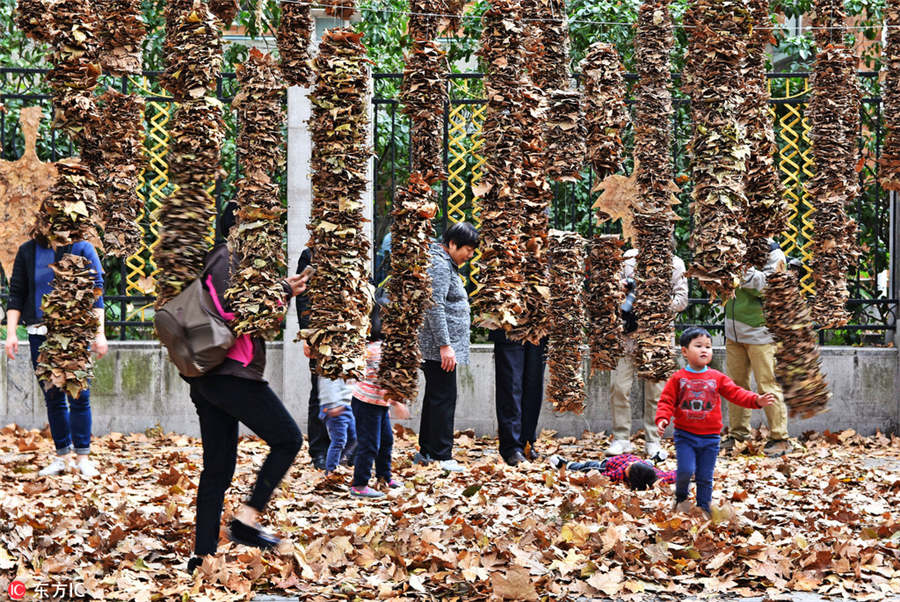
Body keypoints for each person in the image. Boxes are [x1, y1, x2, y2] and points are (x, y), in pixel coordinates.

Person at [184, 202, 307, 574]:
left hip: (214, 377)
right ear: (240, 227)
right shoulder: (226, 259)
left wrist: (283, 291)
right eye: (262, 223)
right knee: (288, 439)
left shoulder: (231, 261)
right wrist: (281, 290)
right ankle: (246, 521)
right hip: (230, 374)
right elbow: (232, 312)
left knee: (218, 468)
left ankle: (202, 556)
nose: (269, 232)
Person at [5, 232, 107, 477]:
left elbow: (96, 292)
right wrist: (11, 334)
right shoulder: (28, 250)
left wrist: (100, 334)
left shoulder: (82, 248)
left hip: (75, 333)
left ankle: (82, 458)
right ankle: (62, 457)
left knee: (79, 395)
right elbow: (17, 294)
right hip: (39, 334)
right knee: (53, 396)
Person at [655, 327, 776, 513]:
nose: (704, 350)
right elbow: (666, 401)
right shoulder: (678, 378)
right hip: (685, 436)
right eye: (698, 346)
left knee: (705, 475)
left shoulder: (717, 377)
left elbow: (736, 393)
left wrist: (756, 400)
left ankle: (704, 508)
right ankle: (680, 498)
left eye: (708, 346)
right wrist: (663, 418)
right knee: (686, 470)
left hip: (710, 438)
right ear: (685, 351)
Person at [606, 247, 688, 460]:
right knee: (618, 387)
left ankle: (653, 441)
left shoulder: (675, 262)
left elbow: (682, 300)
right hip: (627, 336)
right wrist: (622, 290)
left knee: (656, 393)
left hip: (657, 339)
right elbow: (610, 290)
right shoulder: (627, 259)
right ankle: (621, 438)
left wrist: (653, 303)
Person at [414, 222, 478, 472]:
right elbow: (434, 306)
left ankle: (427, 451)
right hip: (438, 348)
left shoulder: (443, 262)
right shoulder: (440, 265)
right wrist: (445, 345)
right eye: (468, 250)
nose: (469, 256)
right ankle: (441, 455)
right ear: (452, 244)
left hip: (440, 347)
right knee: (443, 398)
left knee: (436, 397)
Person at [721, 239, 791, 458]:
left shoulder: (773, 252)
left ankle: (779, 438)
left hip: (760, 331)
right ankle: (738, 435)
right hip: (733, 330)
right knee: (735, 385)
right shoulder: (732, 243)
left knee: (767, 384)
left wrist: (741, 269)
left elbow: (769, 287)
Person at [350, 320, 410, 498]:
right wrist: (396, 403)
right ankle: (359, 484)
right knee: (369, 444)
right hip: (367, 403)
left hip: (379, 404)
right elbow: (381, 381)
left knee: (386, 441)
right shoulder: (376, 350)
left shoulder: (384, 347)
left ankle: (384, 477)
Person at [490, 328, 546, 466]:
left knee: (534, 386)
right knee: (510, 385)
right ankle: (512, 448)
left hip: (538, 324)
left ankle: (527, 443)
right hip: (508, 326)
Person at [296, 247, 329, 470]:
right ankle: (319, 451)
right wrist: (308, 335)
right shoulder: (311, 254)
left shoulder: (355, 249)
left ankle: (349, 450)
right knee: (319, 392)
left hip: (349, 334)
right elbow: (303, 296)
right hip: (320, 335)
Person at [547, 453, 675, 490]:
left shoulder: (618, 473)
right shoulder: (655, 474)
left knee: (588, 466)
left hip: (607, 465)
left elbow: (601, 476)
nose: (629, 465)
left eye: (629, 468)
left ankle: (566, 464)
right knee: (647, 463)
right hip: (642, 463)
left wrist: (587, 478)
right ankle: (654, 460)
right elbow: (672, 475)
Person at [317, 376, 356, 476]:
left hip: (346, 405)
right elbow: (327, 384)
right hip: (334, 406)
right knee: (339, 440)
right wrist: (332, 405)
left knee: (353, 438)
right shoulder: (332, 370)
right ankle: (331, 470)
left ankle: (336, 461)